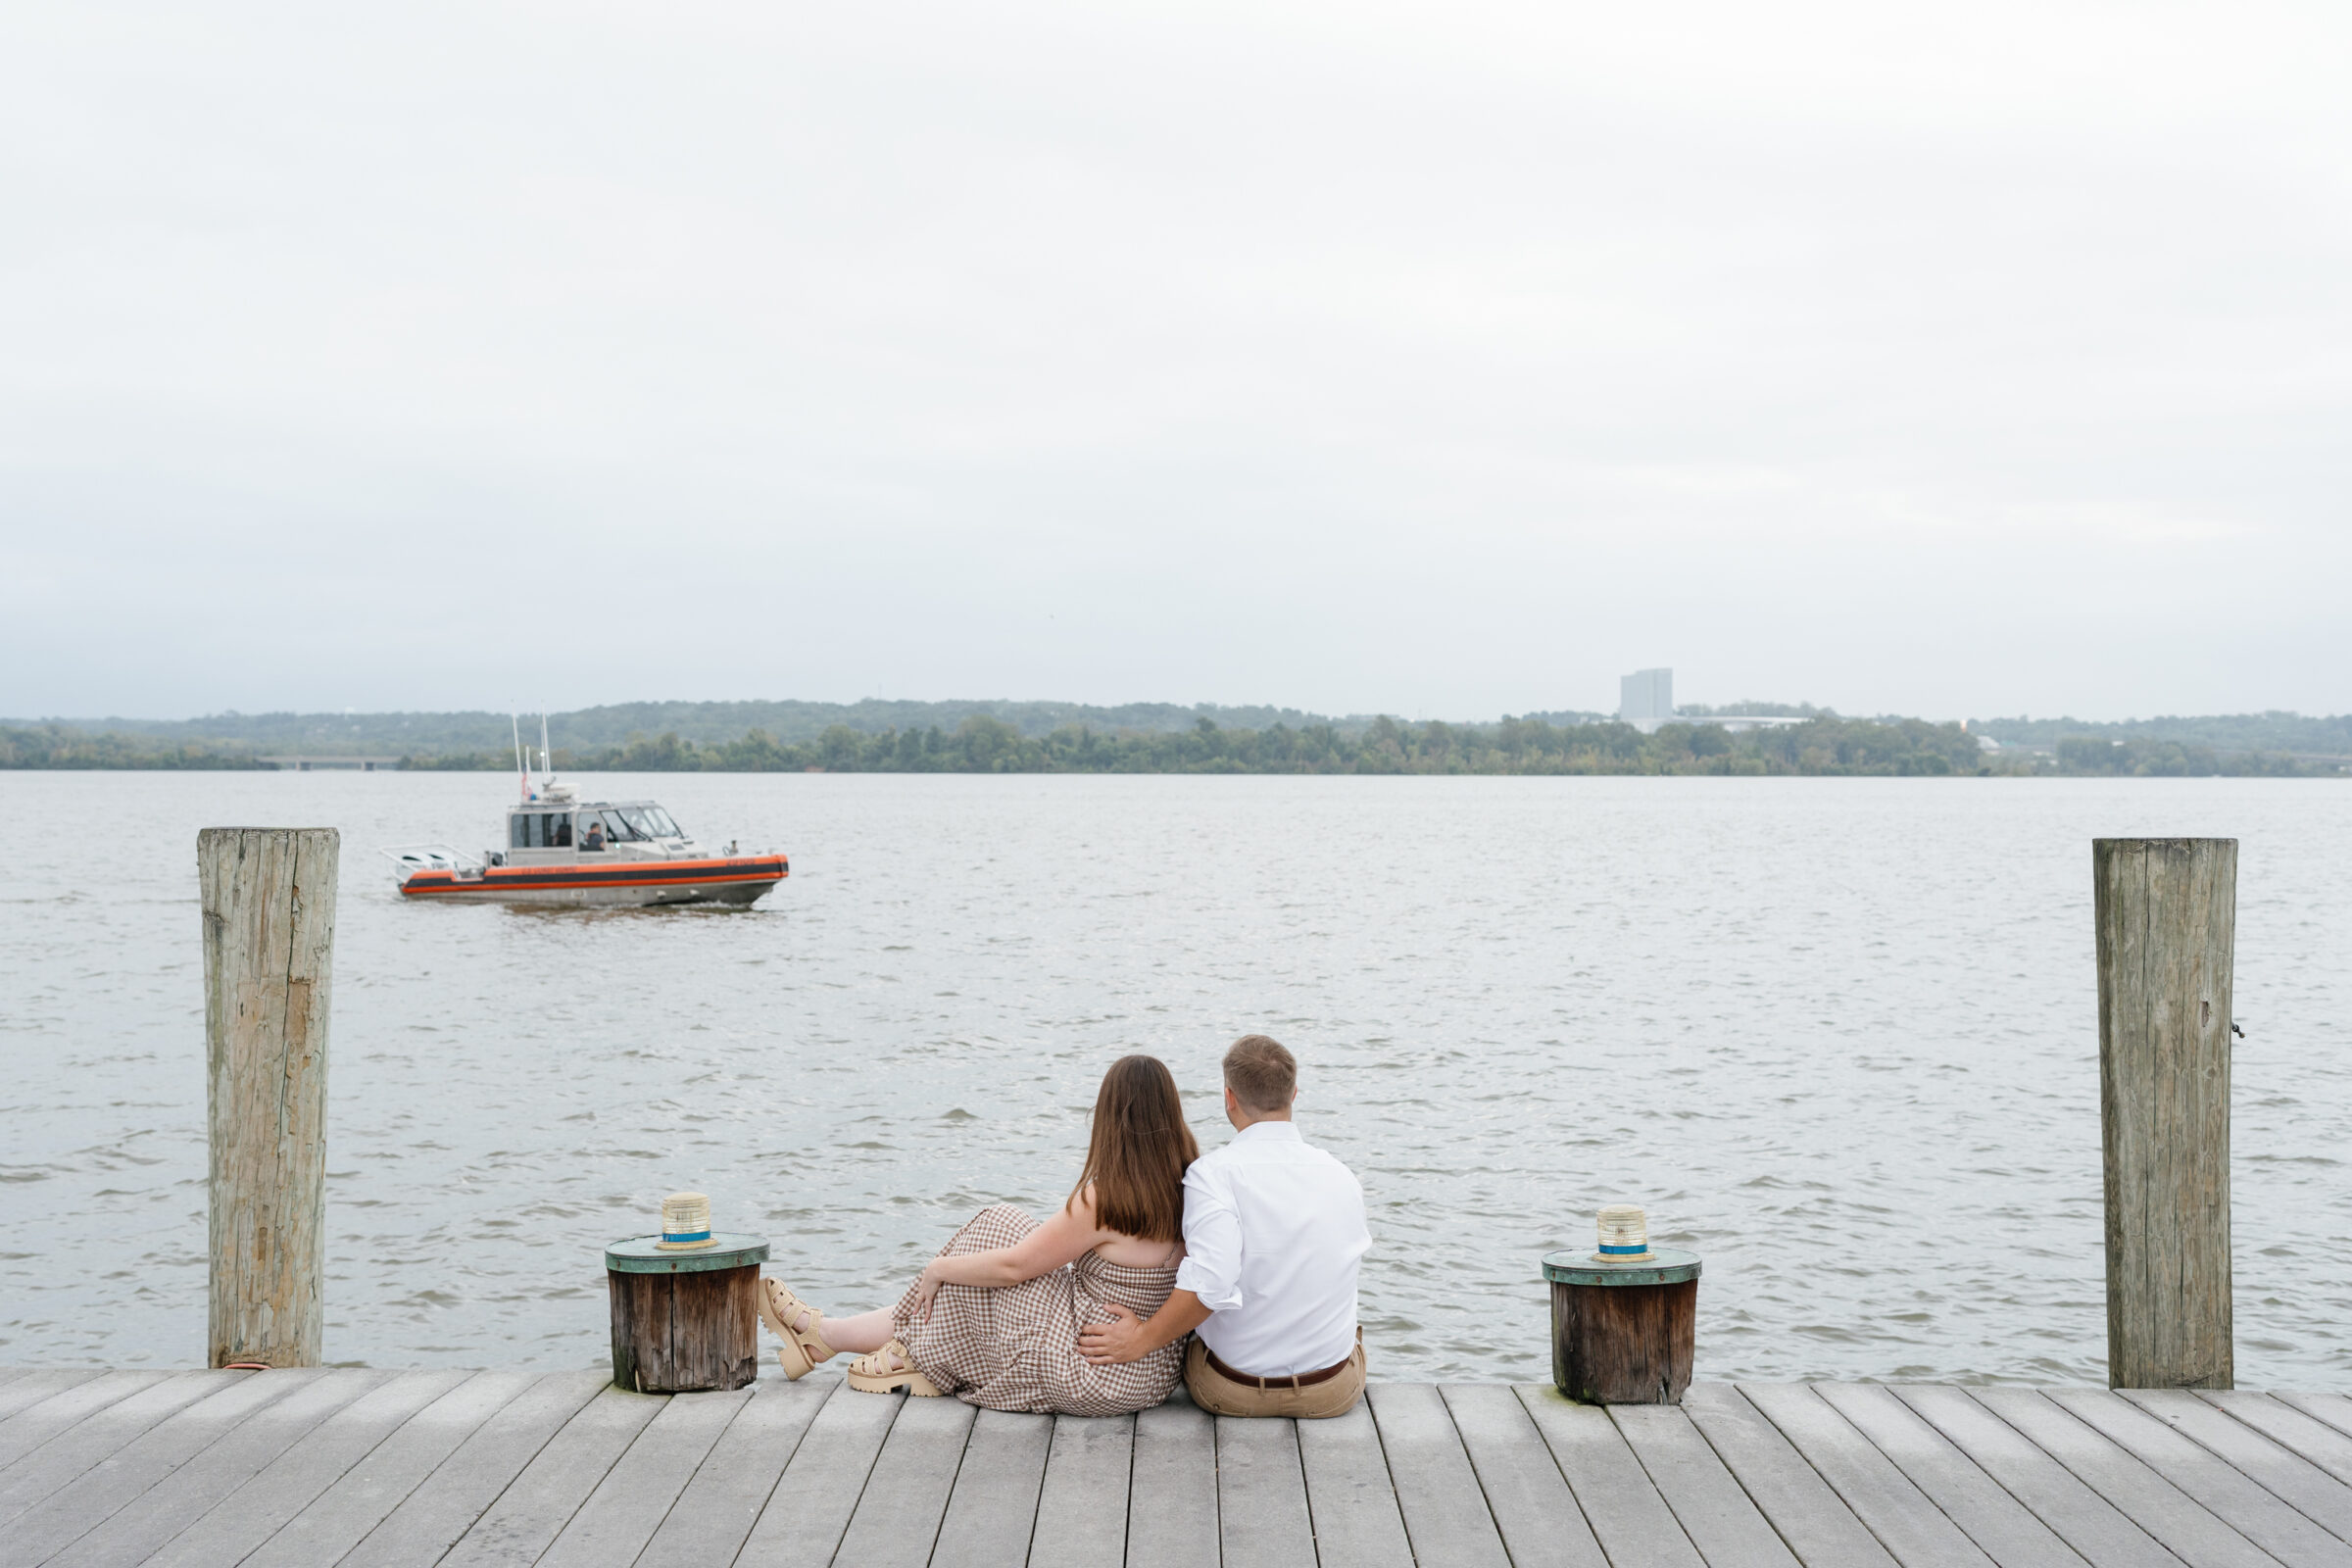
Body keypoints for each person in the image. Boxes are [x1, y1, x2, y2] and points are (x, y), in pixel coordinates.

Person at [756, 1054, 1200, 1415]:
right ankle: (827, 1336)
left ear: (1109, 1118)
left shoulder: (1106, 1199)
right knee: (997, 1251)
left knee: (996, 1226)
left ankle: (864, 1344)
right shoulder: (1193, 1182)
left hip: (1091, 1366)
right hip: (1149, 1373)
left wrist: (937, 1267)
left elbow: (1015, 1267)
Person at [1077, 1034, 1369, 1418]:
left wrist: (1140, 1340)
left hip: (1233, 1392)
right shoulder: (1342, 1176)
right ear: (1294, 1094)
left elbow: (1210, 1285)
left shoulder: (1212, 1175)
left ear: (1229, 1098)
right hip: (1331, 1392)